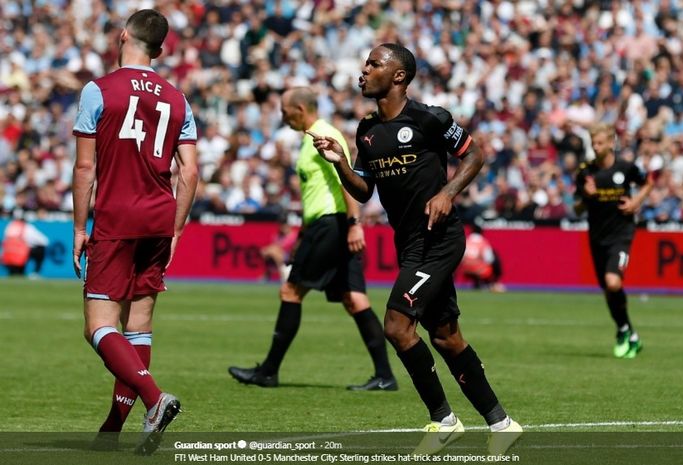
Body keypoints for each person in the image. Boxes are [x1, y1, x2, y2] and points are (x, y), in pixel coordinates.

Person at [310, 44, 521, 456]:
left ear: (399, 76)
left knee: (396, 326)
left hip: (439, 240)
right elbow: (365, 188)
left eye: (374, 64)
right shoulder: (366, 130)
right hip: (409, 243)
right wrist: (339, 163)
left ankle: (444, 420)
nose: (364, 69)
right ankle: (502, 423)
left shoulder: (430, 118)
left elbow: (475, 154)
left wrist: (447, 192)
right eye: (366, 62)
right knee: (446, 338)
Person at [72, 9, 198, 455]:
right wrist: (178, 225)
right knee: (138, 327)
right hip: (159, 217)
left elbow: (86, 165)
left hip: (116, 217)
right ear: (160, 50)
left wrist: (78, 226)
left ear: (123, 35)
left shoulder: (99, 89)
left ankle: (154, 398)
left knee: (98, 328)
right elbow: (191, 170)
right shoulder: (177, 97)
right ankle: (112, 432)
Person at [228, 87, 397, 391]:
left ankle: (268, 372)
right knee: (354, 299)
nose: (282, 116)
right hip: (328, 225)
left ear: (301, 110)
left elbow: (346, 179)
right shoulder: (310, 138)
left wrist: (355, 223)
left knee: (291, 292)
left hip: (331, 225)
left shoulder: (323, 135)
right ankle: (385, 376)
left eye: (284, 111)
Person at [574, 123, 653, 359]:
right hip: (597, 237)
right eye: (593, 143)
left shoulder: (626, 168)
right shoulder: (585, 172)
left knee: (613, 283)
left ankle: (624, 330)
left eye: (600, 143)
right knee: (608, 290)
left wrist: (636, 202)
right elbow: (577, 209)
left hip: (622, 233)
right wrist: (586, 196)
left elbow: (647, 182)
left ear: (610, 143)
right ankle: (626, 330)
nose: (596, 148)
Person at [1, 210, 49, 278]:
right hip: (19, 255)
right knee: (40, 249)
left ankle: (17, 272)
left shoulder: (10, 226)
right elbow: (45, 241)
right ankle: (35, 273)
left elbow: (4, 242)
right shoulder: (27, 227)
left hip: (9, 256)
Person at [461, 223, 505, 293]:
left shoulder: (466, 241)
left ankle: (478, 284)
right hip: (480, 271)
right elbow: (490, 259)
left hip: (466, 269)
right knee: (496, 260)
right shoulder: (483, 242)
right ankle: (493, 284)